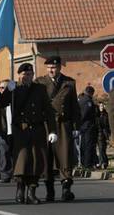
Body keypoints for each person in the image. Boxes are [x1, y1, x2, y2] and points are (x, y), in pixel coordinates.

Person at [3, 63, 57, 205]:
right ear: (19, 75)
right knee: (22, 161)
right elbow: (1, 103)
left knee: (36, 161)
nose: (27, 77)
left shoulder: (40, 89)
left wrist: (52, 130)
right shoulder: (15, 89)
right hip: (21, 129)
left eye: (30, 74)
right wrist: (8, 91)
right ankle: (20, 190)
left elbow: (49, 111)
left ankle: (31, 193)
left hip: (37, 129)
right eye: (25, 74)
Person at [35, 56, 80, 202]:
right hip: (46, 125)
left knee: (65, 156)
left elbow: (74, 107)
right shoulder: (40, 82)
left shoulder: (69, 83)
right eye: (48, 68)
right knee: (47, 157)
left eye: (53, 68)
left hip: (63, 124)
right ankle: (50, 190)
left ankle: (66, 188)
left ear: (60, 67)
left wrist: (75, 126)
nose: (51, 70)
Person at [0, 79, 13, 183]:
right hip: (2, 130)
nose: (3, 90)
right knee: (3, 152)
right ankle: (5, 174)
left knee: (15, 153)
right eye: (1, 88)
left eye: (5, 88)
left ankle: (16, 174)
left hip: (14, 130)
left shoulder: (13, 99)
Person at [78, 86, 98, 169]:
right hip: (88, 126)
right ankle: (88, 164)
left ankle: (83, 163)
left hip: (82, 126)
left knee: (83, 145)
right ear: (91, 93)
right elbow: (85, 113)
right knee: (88, 145)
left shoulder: (80, 99)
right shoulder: (88, 101)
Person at [96, 103, 110, 169]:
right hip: (99, 134)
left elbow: (106, 125)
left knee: (102, 149)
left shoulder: (106, 115)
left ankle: (104, 162)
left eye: (102, 106)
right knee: (100, 149)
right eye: (100, 106)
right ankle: (103, 162)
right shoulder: (97, 115)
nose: (101, 107)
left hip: (104, 134)